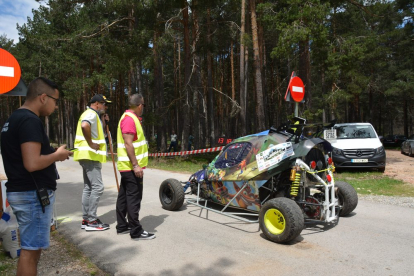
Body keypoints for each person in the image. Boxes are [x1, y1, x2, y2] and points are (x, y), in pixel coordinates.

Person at [0, 77, 72, 276]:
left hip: (25, 192)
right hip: (32, 195)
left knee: (31, 249)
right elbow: (31, 163)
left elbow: (27, 156)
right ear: (43, 97)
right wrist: (57, 156)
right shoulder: (30, 120)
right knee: (30, 252)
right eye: (55, 101)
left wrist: (53, 153)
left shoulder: (14, 119)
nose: (56, 106)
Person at [116, 94, 155, 240]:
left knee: (123, 196)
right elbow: (128, 143)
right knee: (134, 198)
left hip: (127, 166)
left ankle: (122, 226)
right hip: (131, 167)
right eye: (143, 105)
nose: (143, 108)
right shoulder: (129, 119)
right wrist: (135, 165)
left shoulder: (129, 118)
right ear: (139, 105)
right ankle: (136, 230)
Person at [73, 94, 112, 231]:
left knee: (89, 188)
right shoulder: (90, 114)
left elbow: (99, 134)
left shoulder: (95, 116)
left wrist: (104, 122)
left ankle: (86, 219)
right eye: (104, 104)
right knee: (98, 187)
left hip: (87, 155)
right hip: (90, 155)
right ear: (96, 103)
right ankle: (91, 220)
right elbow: (85, 126)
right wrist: (90, 143)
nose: (105, 106)